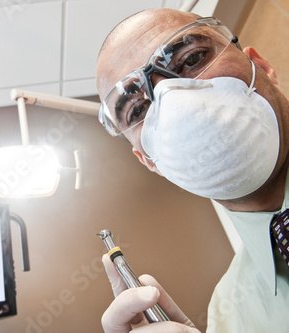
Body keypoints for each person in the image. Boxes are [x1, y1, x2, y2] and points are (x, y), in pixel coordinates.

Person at [96, 8, 289, 333]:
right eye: (139, 108)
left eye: (191, 59)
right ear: (148, 160)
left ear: (263, 67)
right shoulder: (229, 313)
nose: (175, 101)